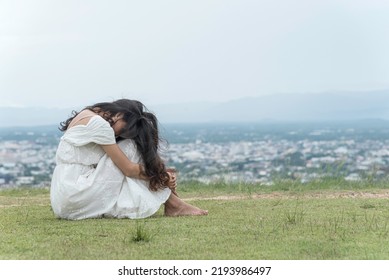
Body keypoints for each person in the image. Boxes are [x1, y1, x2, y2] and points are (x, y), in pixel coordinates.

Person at [50, 99, 208, 220]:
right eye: (124, 129)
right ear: (119, 115)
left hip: (64, 198)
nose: (119, 135)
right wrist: (161, 175)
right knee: (131, 146)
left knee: (129, 154)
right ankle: (174, 204)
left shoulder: (86, 114)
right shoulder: (100, 126)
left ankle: (172, 202)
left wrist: (160, 173)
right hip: (78, 192)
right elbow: (129, 169)